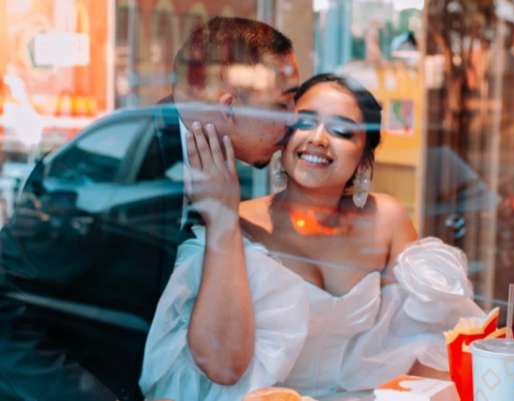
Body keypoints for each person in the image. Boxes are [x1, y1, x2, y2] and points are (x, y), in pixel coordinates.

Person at [0, 17, 299, 401]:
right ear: (229, 110)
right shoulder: (115, 160)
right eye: (283, 105)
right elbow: (7, 308)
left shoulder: (211, 171)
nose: (295, 121)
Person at [139, 74, 485, 400]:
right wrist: (223, 220)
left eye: (342, 131)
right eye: (304, 122)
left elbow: (438, 337)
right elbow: (220, 364)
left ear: (364, 161)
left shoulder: (387, 221)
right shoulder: (234, 222)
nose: (318, 138)